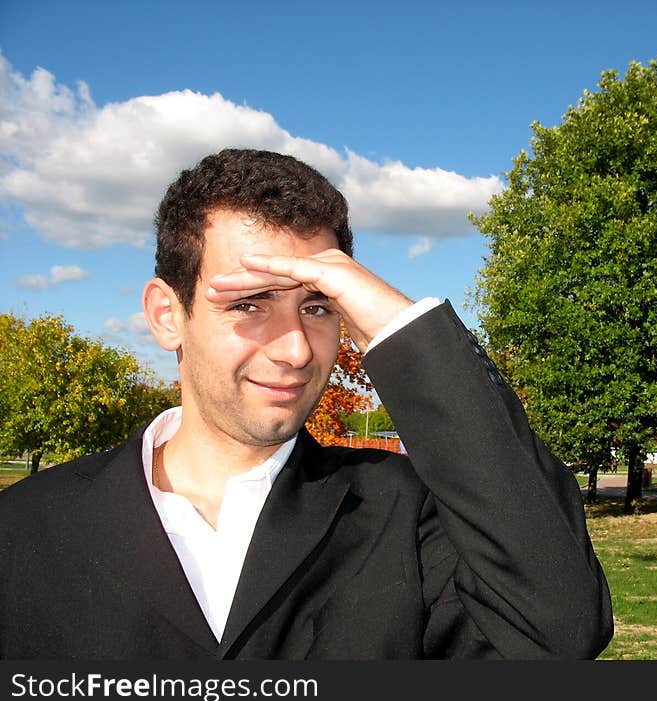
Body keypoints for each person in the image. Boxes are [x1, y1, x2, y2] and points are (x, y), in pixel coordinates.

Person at [0, 149, 613, 659]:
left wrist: (400, 327)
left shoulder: (405, 513)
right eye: (250, 303)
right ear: (168, 314)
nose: (295, 349)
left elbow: (559, 630)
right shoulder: (28, 526)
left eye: (318, 306)